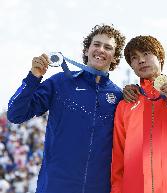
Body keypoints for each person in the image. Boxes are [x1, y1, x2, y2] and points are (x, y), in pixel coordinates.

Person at [7, 24, 126, 193]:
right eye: (96, 44)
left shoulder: (119, 97)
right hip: (55, 187)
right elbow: (15, 114)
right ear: (86, 50)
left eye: (108, 47)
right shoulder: (60, 83)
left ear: (114, 57)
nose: (101, 50)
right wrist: (33, 77)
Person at [111, 35, 167, 193]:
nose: (141, 60)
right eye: (134, 57)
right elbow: (118, 157)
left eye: (146, 54)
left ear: (160, 57)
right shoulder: (125, 104)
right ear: (131, 65)